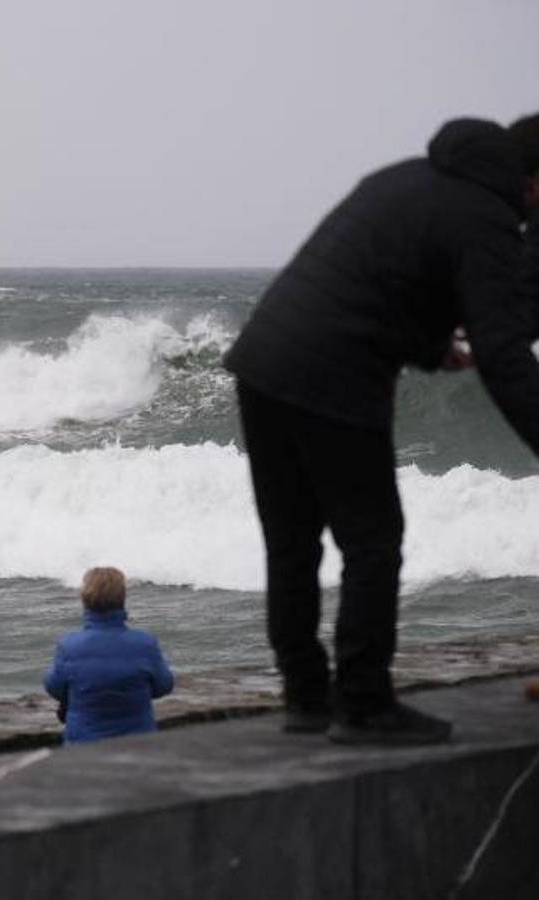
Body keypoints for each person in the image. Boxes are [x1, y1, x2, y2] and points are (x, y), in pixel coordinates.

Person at [223, 114, 539, 745]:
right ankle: (364, 704)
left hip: (263, 362)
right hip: (333, 375)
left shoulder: (406, 179)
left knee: (293, 543)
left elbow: (382, 286)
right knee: (373, 542)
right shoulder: (485, 218)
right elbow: (504, 354)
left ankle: (307, 699)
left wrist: (430, 348)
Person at [43, 567, 174, 743]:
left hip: (84, 745)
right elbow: (163, 685)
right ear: (122, 598)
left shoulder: (69, 646)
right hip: (139, 744)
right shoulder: (144, 643)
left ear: (84, 599)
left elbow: (54, 687)